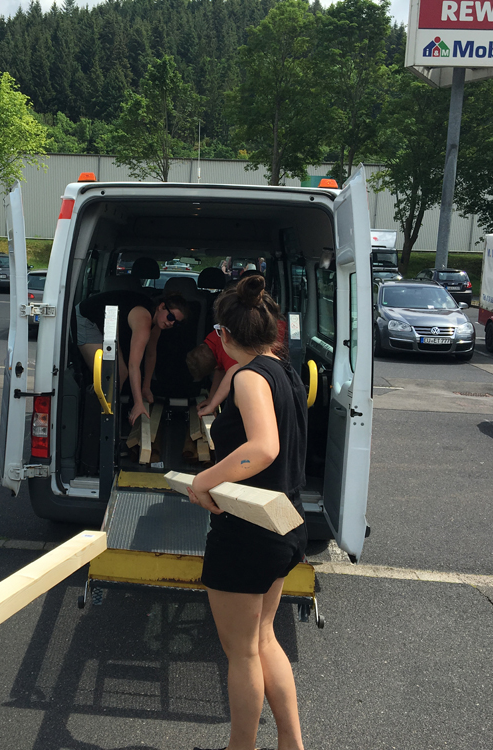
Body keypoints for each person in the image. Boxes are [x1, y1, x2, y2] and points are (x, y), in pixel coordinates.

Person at [186, 275, 308, 750]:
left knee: (242, 653)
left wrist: (205, 479)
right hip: (283, 520)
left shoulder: (249, 377)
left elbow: (263, 447)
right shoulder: (283, 369)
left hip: (249, 530)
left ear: (224, 334)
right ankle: (291, 745)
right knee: (263, 638)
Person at [76, 289, 189, 425]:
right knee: (109, 376)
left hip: (109, 324)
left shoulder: (157, 322)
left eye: (176, 323)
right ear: (161, 307)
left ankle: (110, 416)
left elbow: (151, 354)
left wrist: (146, 387)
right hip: (88, 319)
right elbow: (134, 365)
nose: (171, 323)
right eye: (170, 317)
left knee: (120, 373)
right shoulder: (144, 320)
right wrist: (138, 403)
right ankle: (95, 422)